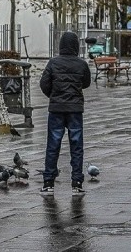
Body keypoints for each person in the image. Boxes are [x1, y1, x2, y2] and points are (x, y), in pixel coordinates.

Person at [39, 31, 91, 195]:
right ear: (76, 46)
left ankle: (48, 183)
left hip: (56, 110)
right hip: (75, 110)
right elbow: (87, 83)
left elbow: (44, 84)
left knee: (53, 146)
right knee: (76, 146)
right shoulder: (81, 64)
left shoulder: (53, 63)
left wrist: (54, 97)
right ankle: (77, 182)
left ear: (61, 45)